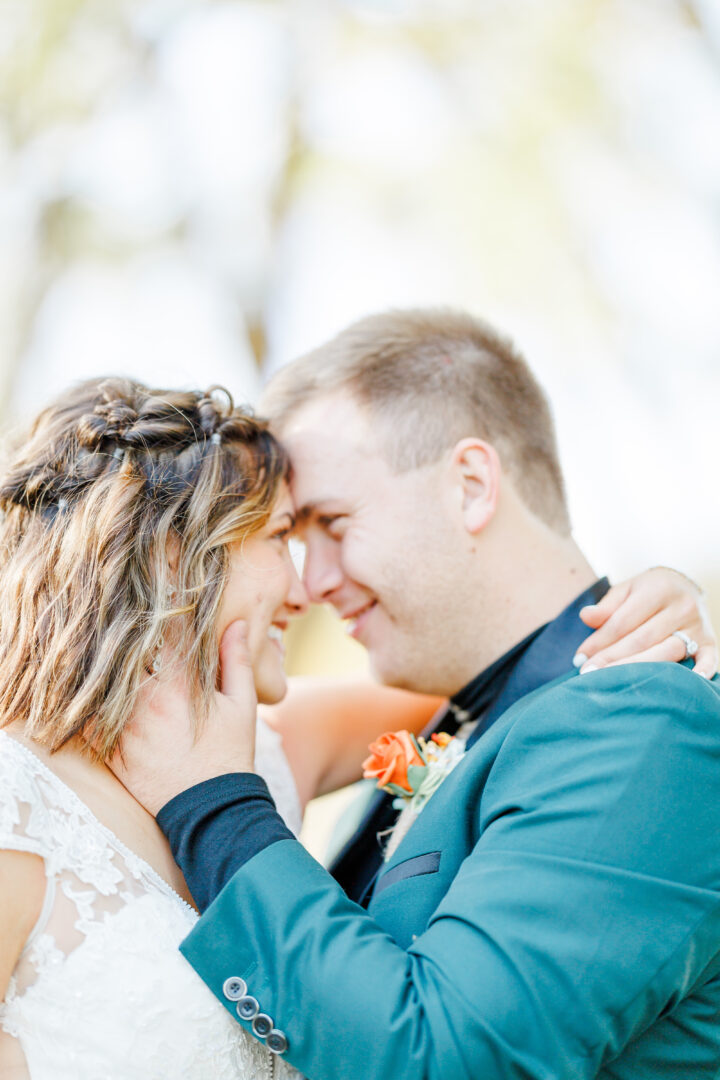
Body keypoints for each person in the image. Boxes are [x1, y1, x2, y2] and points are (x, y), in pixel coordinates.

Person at [2, 377, 685, 1079]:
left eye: (327, 529)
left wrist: (642, 618)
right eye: (280, 537)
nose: (307, 591)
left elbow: (504, 694)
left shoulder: (263, 754)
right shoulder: (14, 800)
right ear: (173, 555)